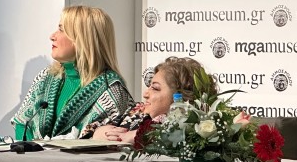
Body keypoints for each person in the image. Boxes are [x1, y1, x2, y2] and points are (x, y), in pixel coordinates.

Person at [11, 6, 134, 140]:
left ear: (82, 39)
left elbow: (113, 142)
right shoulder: (46, 76)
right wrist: (32, 150)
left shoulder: (112, 90)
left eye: (61, 29)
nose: (52, 36)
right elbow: (22, 123)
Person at [85, 56, 218, 142]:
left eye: (155, 88)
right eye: (149, 86)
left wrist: (141, 137)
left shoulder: (196, 127)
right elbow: (91, 129)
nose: (145, 94)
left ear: (181, 97)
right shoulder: (137, 111)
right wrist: (101, 134)